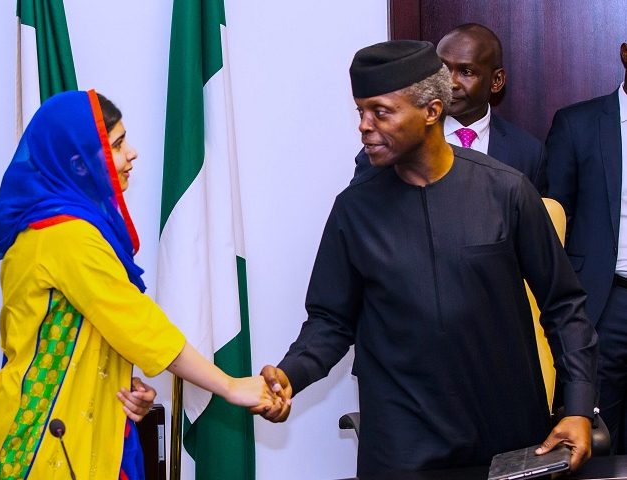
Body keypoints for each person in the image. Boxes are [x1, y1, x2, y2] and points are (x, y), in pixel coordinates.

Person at [252, 40, 598, 476]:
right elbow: (330, 321)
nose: (363, 125)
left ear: (432, 111)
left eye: (380, 112)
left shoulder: (506, 191)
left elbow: (564, 306)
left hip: (505, 439)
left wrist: (580, 406)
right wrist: (290, 376)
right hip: (401, 445)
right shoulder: (354, 209)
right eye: (360, 111)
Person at [0, 90, 278, 480]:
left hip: (73, 430)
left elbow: (86, 329)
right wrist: (230, 386)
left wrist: (123, 383)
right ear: (78, 164)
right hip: (41, 441)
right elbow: (141, 327)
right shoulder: (65, 236)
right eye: (117, 144)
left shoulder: (63, 227)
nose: (132, 153)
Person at [546, 42, 627, 453]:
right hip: (602, 298)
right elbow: (554, 220)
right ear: (626, 53)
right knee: (597, 429)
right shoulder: (577, 123)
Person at [352, 24, 546, 194]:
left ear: (496, 81)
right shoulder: (395, 143)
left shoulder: (527, 152)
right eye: (443, 69)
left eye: (466, 72)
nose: (451, 82)